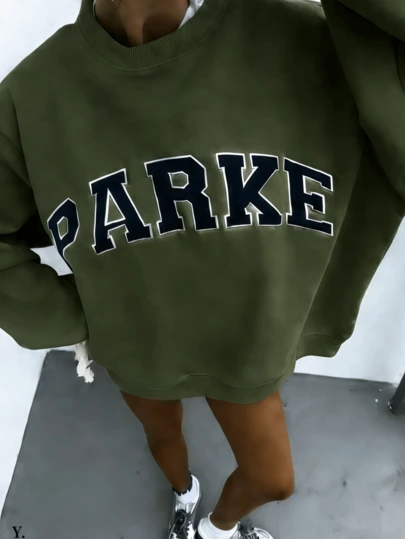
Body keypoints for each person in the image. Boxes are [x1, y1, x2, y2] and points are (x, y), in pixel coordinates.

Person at [0, 0, 404, 538]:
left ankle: (217, 530)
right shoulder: (32, 96)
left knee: (273, 479)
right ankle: (184, 496)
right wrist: (77, 315)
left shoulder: (310, 40)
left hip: (246, 345)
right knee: (164, 438)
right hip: (140, 346)